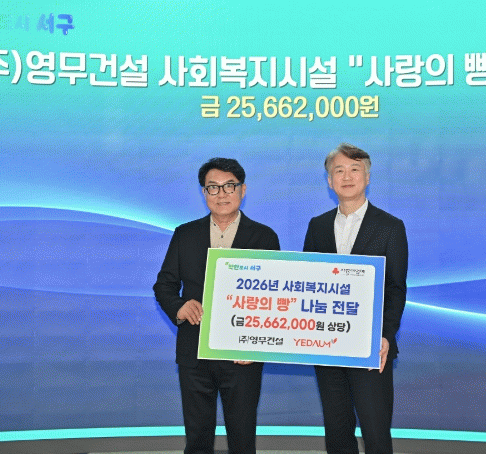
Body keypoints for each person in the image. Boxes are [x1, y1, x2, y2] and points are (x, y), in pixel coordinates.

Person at [154, 157, 280, 454]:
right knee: (197, 438)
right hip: (195, 351)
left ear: (243, 190)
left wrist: (256, 345)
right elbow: (164, 285)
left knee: (242, 437)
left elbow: (274, 298)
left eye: (229, 186)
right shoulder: (185, 234)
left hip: (242, 354)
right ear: (204, 192)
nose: (221, 194)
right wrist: (179, 307)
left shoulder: (264, 236)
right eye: (213, 187)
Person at [303, 143, 408, 454]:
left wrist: (385, 335)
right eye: (339, 171)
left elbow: (395, 288)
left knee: (376, 432)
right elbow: (308, 284)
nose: (346, 177)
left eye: (354, 169)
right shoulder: (318, 226)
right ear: (329, 180)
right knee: (337, 432)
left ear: (368, 177)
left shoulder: (390, 227)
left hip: (371, 348)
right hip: (328, 347)